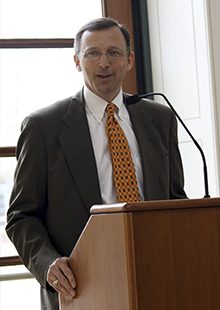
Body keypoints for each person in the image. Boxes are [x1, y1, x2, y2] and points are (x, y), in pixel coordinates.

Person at [6, 17, 187, 309]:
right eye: (93, 53)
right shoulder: (43, 127)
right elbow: (21, 216)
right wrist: (48, 263)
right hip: (80, 288)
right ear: (78, 61)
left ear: (128, 60)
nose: (104, 62)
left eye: (114, 53)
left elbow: (175, 200)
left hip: (157, 278)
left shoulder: (160, 119)